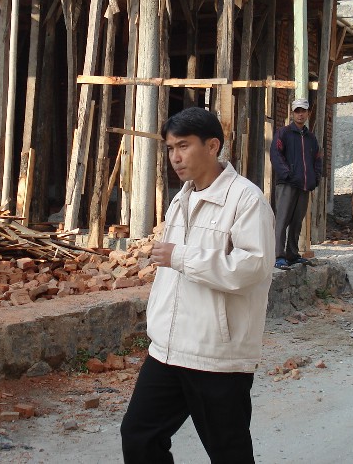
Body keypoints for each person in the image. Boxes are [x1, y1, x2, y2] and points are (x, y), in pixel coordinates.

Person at [120, 107, 274, 464]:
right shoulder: (181, 198)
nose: (175, 157)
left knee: (228, 453)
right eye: (170, 148)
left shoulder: (245, 199)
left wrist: (181, 257)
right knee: (139, 436)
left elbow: (252, 267)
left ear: (212, 146)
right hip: (168, 350)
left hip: (216, 354)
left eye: (183, 146)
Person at [269, 98, 322, 270]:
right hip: (287, 184)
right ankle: (278, 256)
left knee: (297, 221)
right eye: (297, 111)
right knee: (282, 220)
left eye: (303, 111)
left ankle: (292, 255)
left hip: (304, 186)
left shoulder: (311, 138)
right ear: (292, 113)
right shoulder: (283, 133)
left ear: (308, 113)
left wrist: (315, 178)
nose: (300, 114)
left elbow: (317, 160)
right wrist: (288, 175)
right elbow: (275, 154)